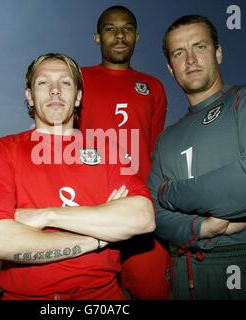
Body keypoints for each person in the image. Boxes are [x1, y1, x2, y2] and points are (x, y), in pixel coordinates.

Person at [0, 52, 155, 300]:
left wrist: (47, 215)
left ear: (78, 96)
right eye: (43, 82)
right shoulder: (3, 150)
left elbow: (142, 218)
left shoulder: (107, 148)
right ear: (30, 96)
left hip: (102, 297)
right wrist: (98, 238)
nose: (55, 90)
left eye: (65, 82)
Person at [148, 14, 246, 299]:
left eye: (200, 47)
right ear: (170, 68)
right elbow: (152, 213)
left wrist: (170, 193)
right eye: (179, 53)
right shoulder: (166, 139)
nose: (190, 59)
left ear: (218, 52)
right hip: (190, 274)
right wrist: (200, 227)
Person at [78, 5, 171, 299]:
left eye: (127, 28)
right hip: (88, 211)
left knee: (154, 292)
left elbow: (155, 150)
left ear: (137, 36)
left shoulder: (153, 86)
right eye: (110, 28)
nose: (119, 35)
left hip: (141, 214)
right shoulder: (77, 78)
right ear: (97, 37)